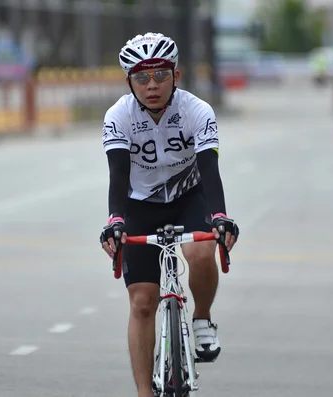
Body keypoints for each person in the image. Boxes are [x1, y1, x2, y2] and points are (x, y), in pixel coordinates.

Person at [98, 32, 240, 397]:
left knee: (200, 250)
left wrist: (220, 216)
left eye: (161, 75)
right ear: (128, 80)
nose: (152, 86)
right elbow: (117, 177)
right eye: (141, 78)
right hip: (138, 205)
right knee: (143, 302)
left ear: (177, 76)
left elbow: (210, 171)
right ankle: (145, 392)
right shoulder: (118, 116)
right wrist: (115, 221)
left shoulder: (197, 110)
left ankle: (203, 317)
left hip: (189, 195)